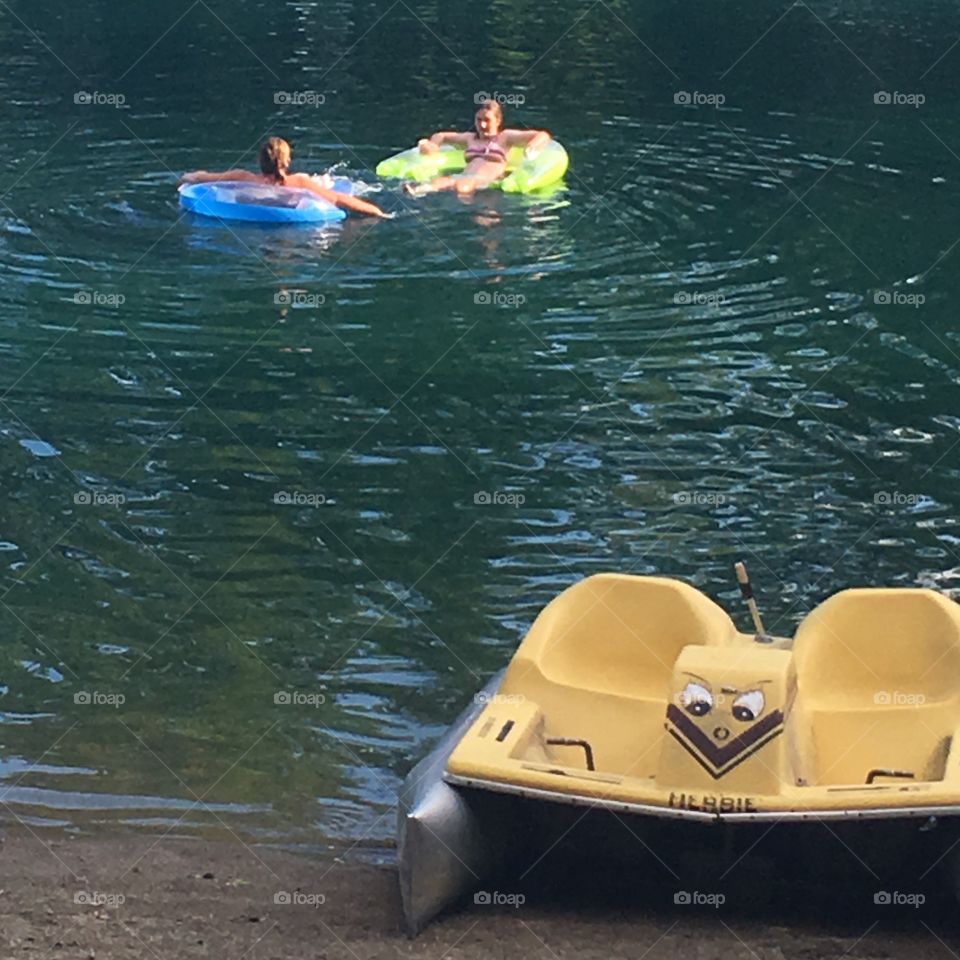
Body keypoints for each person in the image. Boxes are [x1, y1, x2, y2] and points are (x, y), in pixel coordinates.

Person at [179, 137, 390, 218]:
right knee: (326, 181)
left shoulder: (242, 177)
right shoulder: (299, 181)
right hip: (294, 227)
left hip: (245, 222)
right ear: (286, 162)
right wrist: (378, 212)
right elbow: (339, 200)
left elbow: (203, 178)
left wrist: (187, 177)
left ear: (259, 160)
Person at [404, 100, 551, 196]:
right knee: (442, 181)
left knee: (463, 186)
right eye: (478, 120)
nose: (482, 125)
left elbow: (542, 135)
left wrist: (532, 147)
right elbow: (442, 136)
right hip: (463, 176)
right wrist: (432, 146)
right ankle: (416, 192)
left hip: (484, 181)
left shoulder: (505, 138)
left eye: (487, 120)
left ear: (498, 120)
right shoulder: (469, 138)